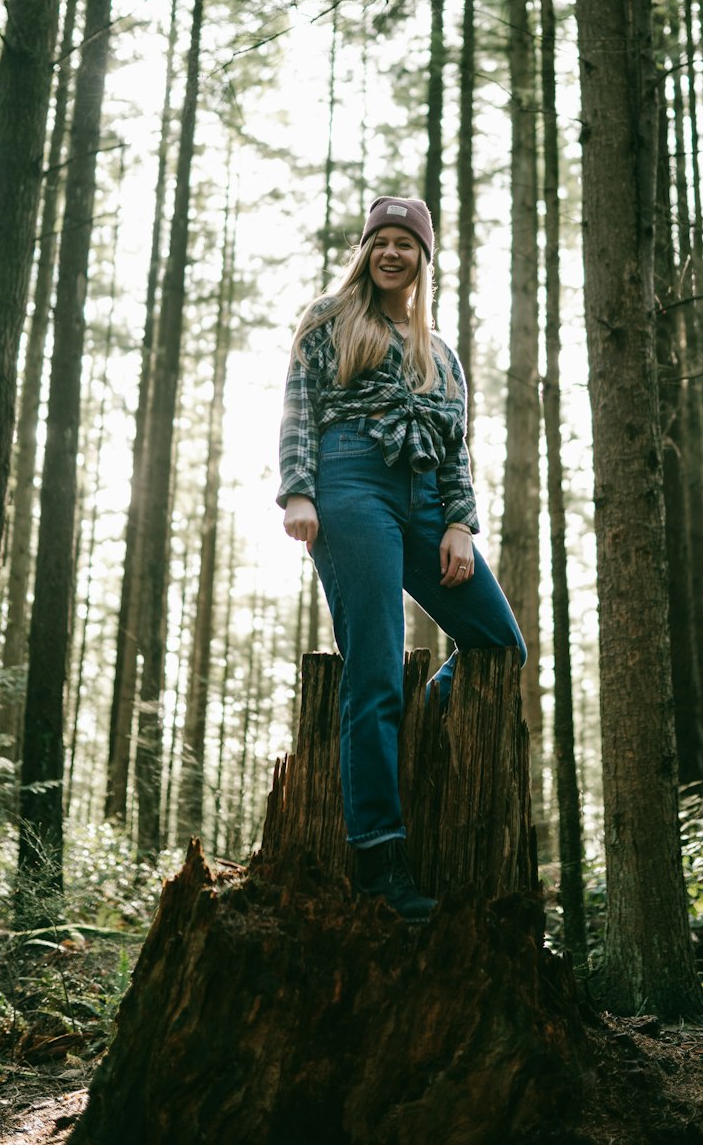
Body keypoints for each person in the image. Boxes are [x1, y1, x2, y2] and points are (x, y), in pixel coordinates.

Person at [277, 194, 527, 922]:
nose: (393, 252)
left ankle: (415, 726)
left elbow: (456, 449)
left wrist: (458, 524)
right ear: (366, 250)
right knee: (374, 667)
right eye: (381, 240)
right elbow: (299, 406)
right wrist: (300, 492)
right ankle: (379, 860)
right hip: (350, 486)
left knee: (498, 642)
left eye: (406, 243)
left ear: (423, 257)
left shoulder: (439, 353)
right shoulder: (330, 320)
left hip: (424, 502)